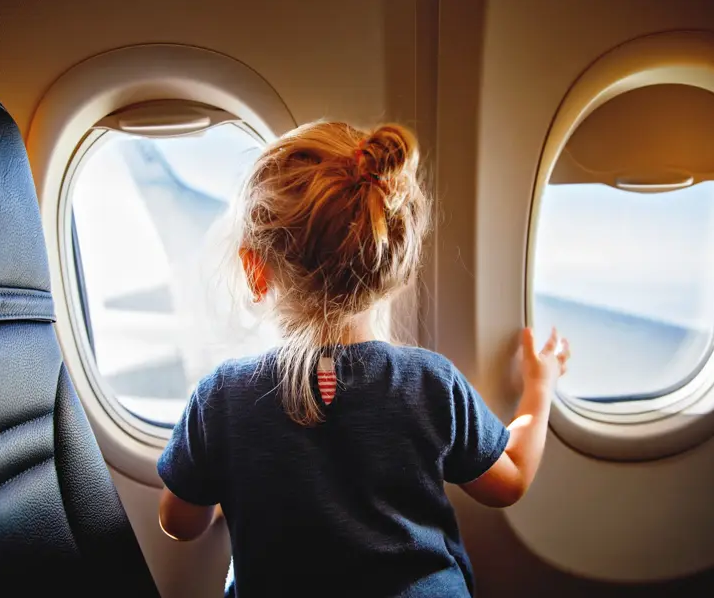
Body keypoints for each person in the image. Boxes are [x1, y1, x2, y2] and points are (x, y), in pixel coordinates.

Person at [156, 121, 570, 597]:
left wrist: (229, 472)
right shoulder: (428, 384)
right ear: (394, 261)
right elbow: (510, 479)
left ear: (255, 269)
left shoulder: (221, 399)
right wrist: (541, 385)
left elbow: (179, 521)